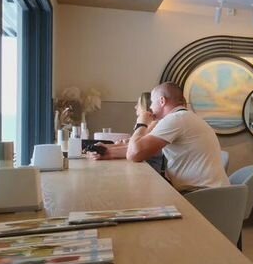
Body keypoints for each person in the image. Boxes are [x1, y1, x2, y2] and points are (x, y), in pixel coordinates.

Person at [88, 82, 225, 192]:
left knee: (138, 196)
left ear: (162, 101)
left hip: (200, 195)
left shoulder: (176, 119)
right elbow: (143, 148)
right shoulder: (183, 117)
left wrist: (141, 123)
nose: (151, 108)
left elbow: (134, 154)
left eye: (152, 102)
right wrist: (108, 152)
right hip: (211, 192)